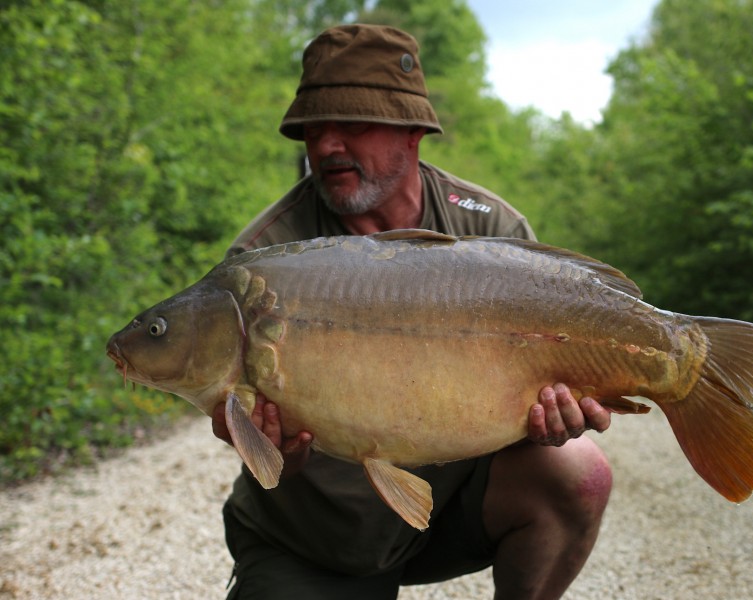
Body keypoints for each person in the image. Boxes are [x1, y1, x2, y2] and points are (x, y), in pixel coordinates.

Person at [211, 24, 613, 600]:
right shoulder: (261, 266)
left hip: (449, 511)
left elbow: (538, 405)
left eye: (352, 125)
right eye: (313, 129)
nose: (327, 146)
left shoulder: (491, 230)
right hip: (315, 540)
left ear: (414, 131)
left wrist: (558, 418)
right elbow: (274, 467)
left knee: (579, 471)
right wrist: (274, 448)